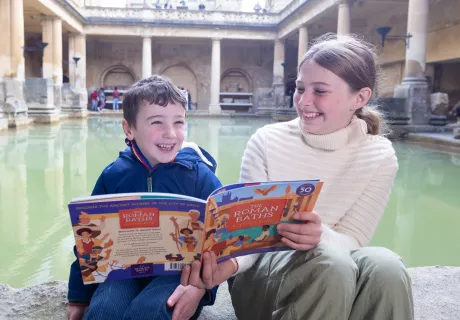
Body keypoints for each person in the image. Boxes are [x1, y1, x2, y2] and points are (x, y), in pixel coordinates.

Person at [180, 34, 414, 320]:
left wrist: (321, 236)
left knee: (387, 266)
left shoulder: (379, 154)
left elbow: (354, 239)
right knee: (330, 262)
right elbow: (246, 239)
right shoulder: (266, 140)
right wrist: (222, 269)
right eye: (300, 88)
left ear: (360, 97)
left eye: (320, 91)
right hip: (263, 278)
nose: (304, 101)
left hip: (335, 267)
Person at [66, 75, 222, 320]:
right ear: (129, 128)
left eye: (179, 122)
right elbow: (87, 240)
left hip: (177, 275)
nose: (171, 133)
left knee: (148, 312)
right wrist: (78, 296)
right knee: (102, 311)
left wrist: (202, 289)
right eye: (157, 122)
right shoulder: (113, 175)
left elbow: (221, 242)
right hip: (121, 272)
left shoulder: (198, 175)